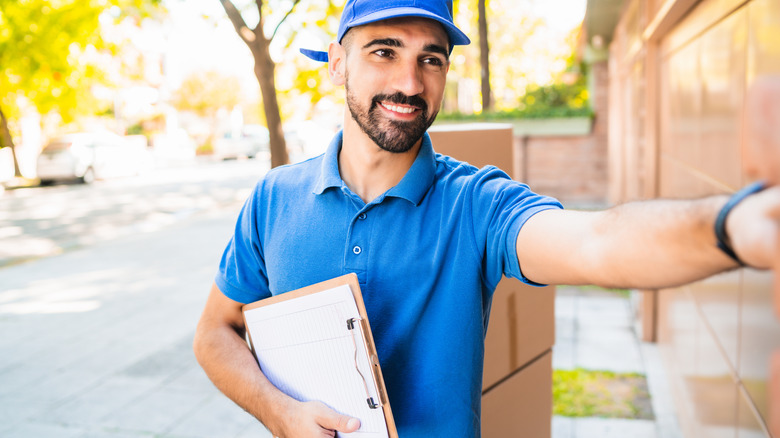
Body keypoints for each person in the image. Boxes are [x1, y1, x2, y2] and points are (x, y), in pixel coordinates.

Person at [193, 1, 780, 436]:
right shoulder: (273, 198)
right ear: (338, 63)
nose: (409, 82)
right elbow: (214, 333)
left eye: (431, 59)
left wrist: (730, 226)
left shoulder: (477, 204)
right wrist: (281, 412)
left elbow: (598, 242)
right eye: (384, 51)